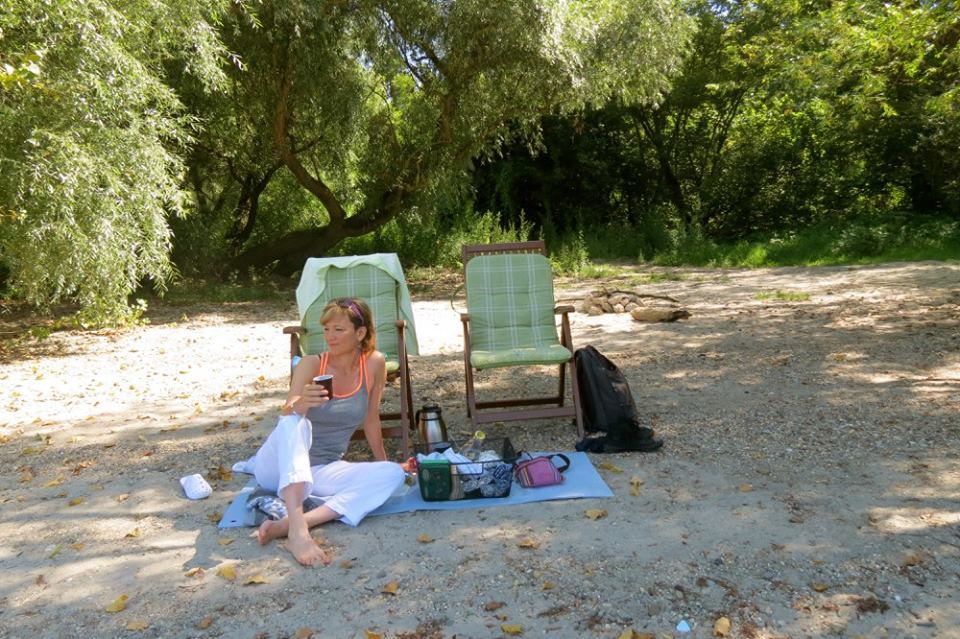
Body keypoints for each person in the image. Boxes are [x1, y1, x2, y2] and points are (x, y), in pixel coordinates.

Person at [250, 297, 406, 566]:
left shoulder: (374, 363)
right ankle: (298, 533)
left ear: (360, 333)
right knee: (294, 421)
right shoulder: (311, 364)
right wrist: (302, 403)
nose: (330, 336)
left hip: (321, 469)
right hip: (276, 469)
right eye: (326, 329)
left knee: (393, 474)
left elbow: (371, 419)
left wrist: (382, 462)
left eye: (338, 329)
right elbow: (286, 412)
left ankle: (292, 523)